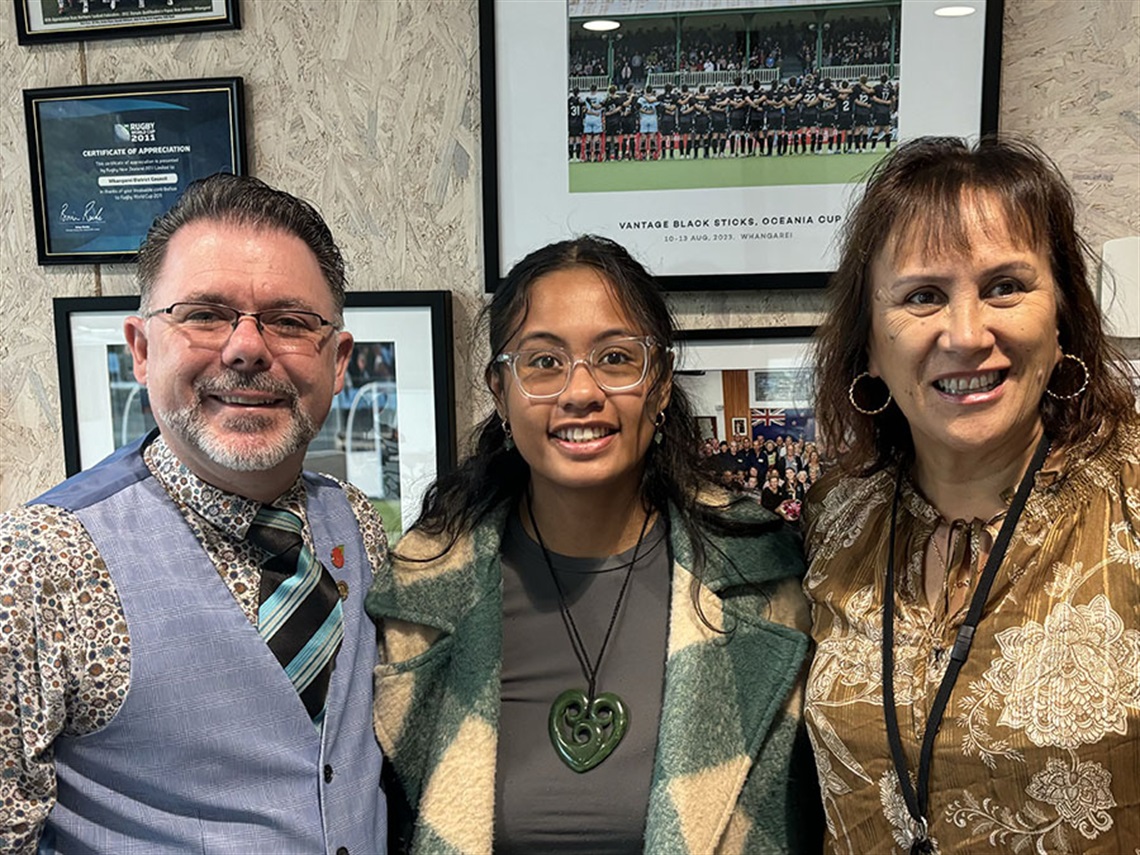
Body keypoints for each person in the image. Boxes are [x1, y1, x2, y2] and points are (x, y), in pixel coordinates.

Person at [367, 236, 820, 854]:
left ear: (659, 384)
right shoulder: (421, 592)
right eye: (544, 362)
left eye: (614, 358)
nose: (580, 391)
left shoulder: (768, 579)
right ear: (501, 393)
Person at [0, 174, 388, 853]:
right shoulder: (40, 565)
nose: (245, 348)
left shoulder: (355, 523)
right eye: (205, 314)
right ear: (142, 348)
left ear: (338, 360)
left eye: (292, 321)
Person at [804, 137, 1139, 853]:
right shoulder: (835, 517)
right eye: (923, 295)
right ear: (869, 340)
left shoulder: (1132, 494)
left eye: (1004, 286)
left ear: (1063, 316)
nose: (966, 333)